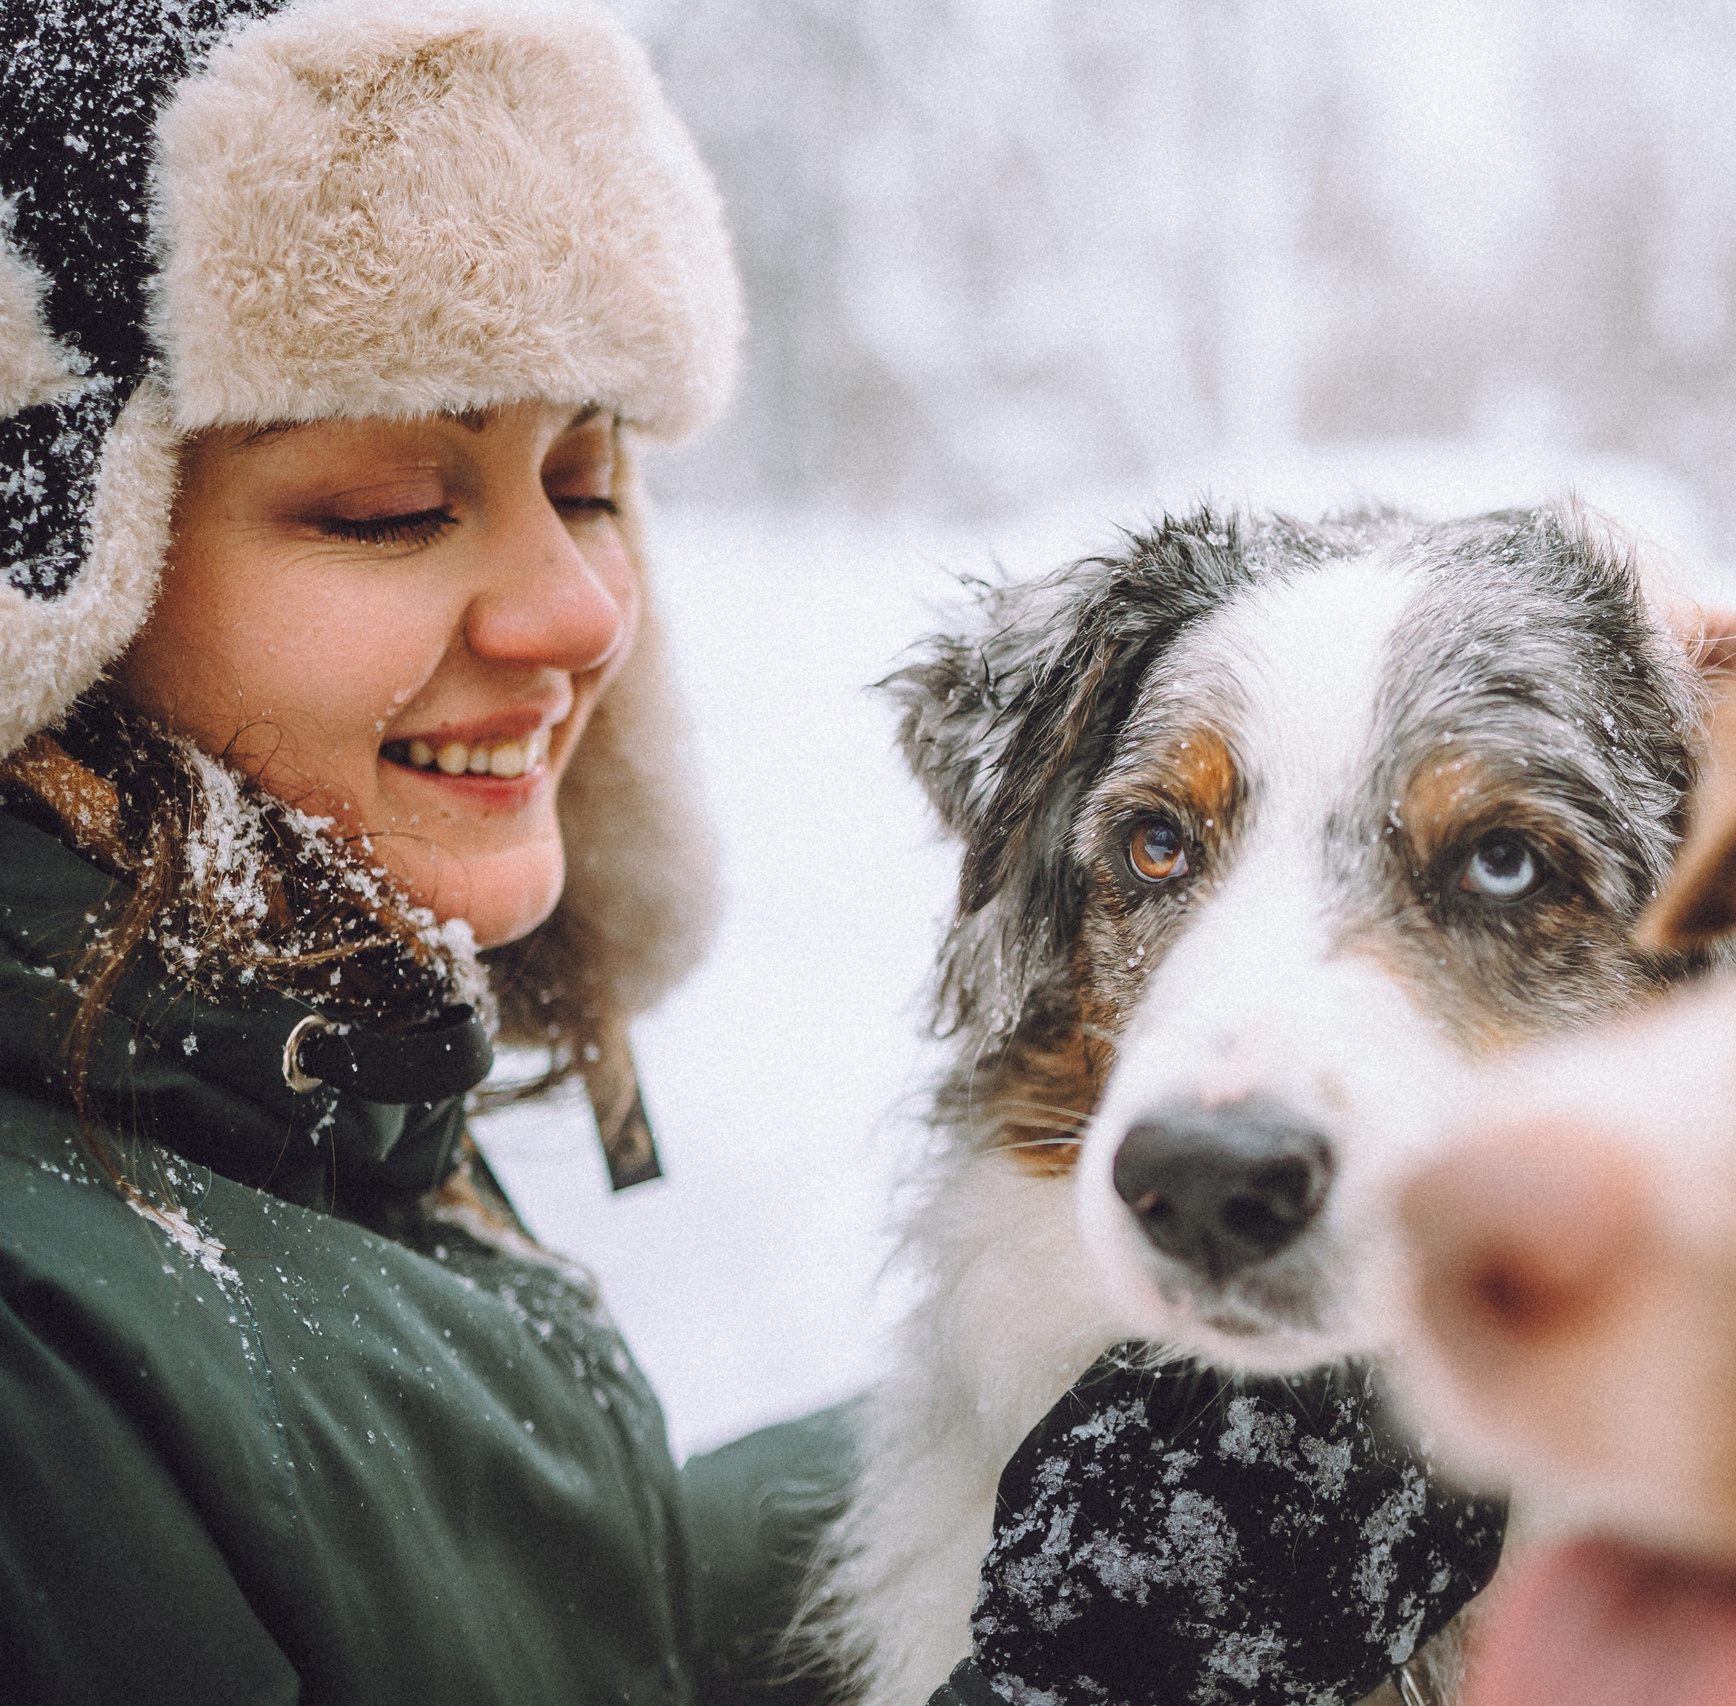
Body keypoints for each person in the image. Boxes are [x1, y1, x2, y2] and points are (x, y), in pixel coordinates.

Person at [0, 3, 1495, 1702]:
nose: (579, 611)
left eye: (583, 479)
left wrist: (1042, 1448)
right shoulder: (41, 1356)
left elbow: (577, 1630)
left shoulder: (274, 1103)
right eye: (389, 508)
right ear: (60, 584)